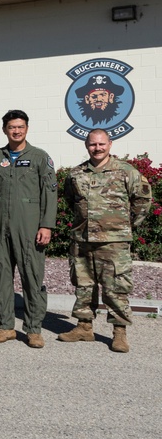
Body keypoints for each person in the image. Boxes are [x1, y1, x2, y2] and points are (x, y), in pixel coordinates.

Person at [59, 129, 153, 352]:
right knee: (83, 285)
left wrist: (125, 225)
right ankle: (84, 327)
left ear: (110, 144)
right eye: (93, 145)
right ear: (86, 145)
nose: (97, 148)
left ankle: (119, 332)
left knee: (115, 287)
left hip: (114, 241)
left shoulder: (126, 172)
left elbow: (143, 200)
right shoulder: (76, 174)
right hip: (82, 239)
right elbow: (71, 201)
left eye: (101, 144)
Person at [0, 110, 57, 348]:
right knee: (1, 275)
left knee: (32, 277)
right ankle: (5, 326)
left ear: (27, 128)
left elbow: (50, 193)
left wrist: (46, 225)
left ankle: (33, 329)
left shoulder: (40, 157)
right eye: (12, 127)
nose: (16, 131)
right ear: (5, 129)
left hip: (29, 227)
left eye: (20, 127)